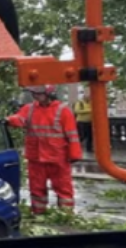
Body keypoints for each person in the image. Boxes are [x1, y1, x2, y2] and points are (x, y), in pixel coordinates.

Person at [5, 84, 82, 214]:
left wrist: (74, 155)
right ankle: (38, 213)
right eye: (33, 93)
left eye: (38, 93)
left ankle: (66, 215)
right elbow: (20, 119)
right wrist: (9, 120)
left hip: (57, 158)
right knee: (36, 188)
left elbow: (72, 135)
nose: (35, 96)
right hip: (36, 158)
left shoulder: (63, 110)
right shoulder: (29, 109)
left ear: (49, 94)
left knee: (63, 188)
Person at [73, 88, 93, 153]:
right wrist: (89, 110)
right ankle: (75, 147)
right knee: (81, 136)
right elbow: (77, 111)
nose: (89, 98)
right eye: (88, 96)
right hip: (81, 122)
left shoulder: (91, 102)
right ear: (84, 96)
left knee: (90, 136)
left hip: (90, 121)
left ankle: (89, 149)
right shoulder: (80, 102)